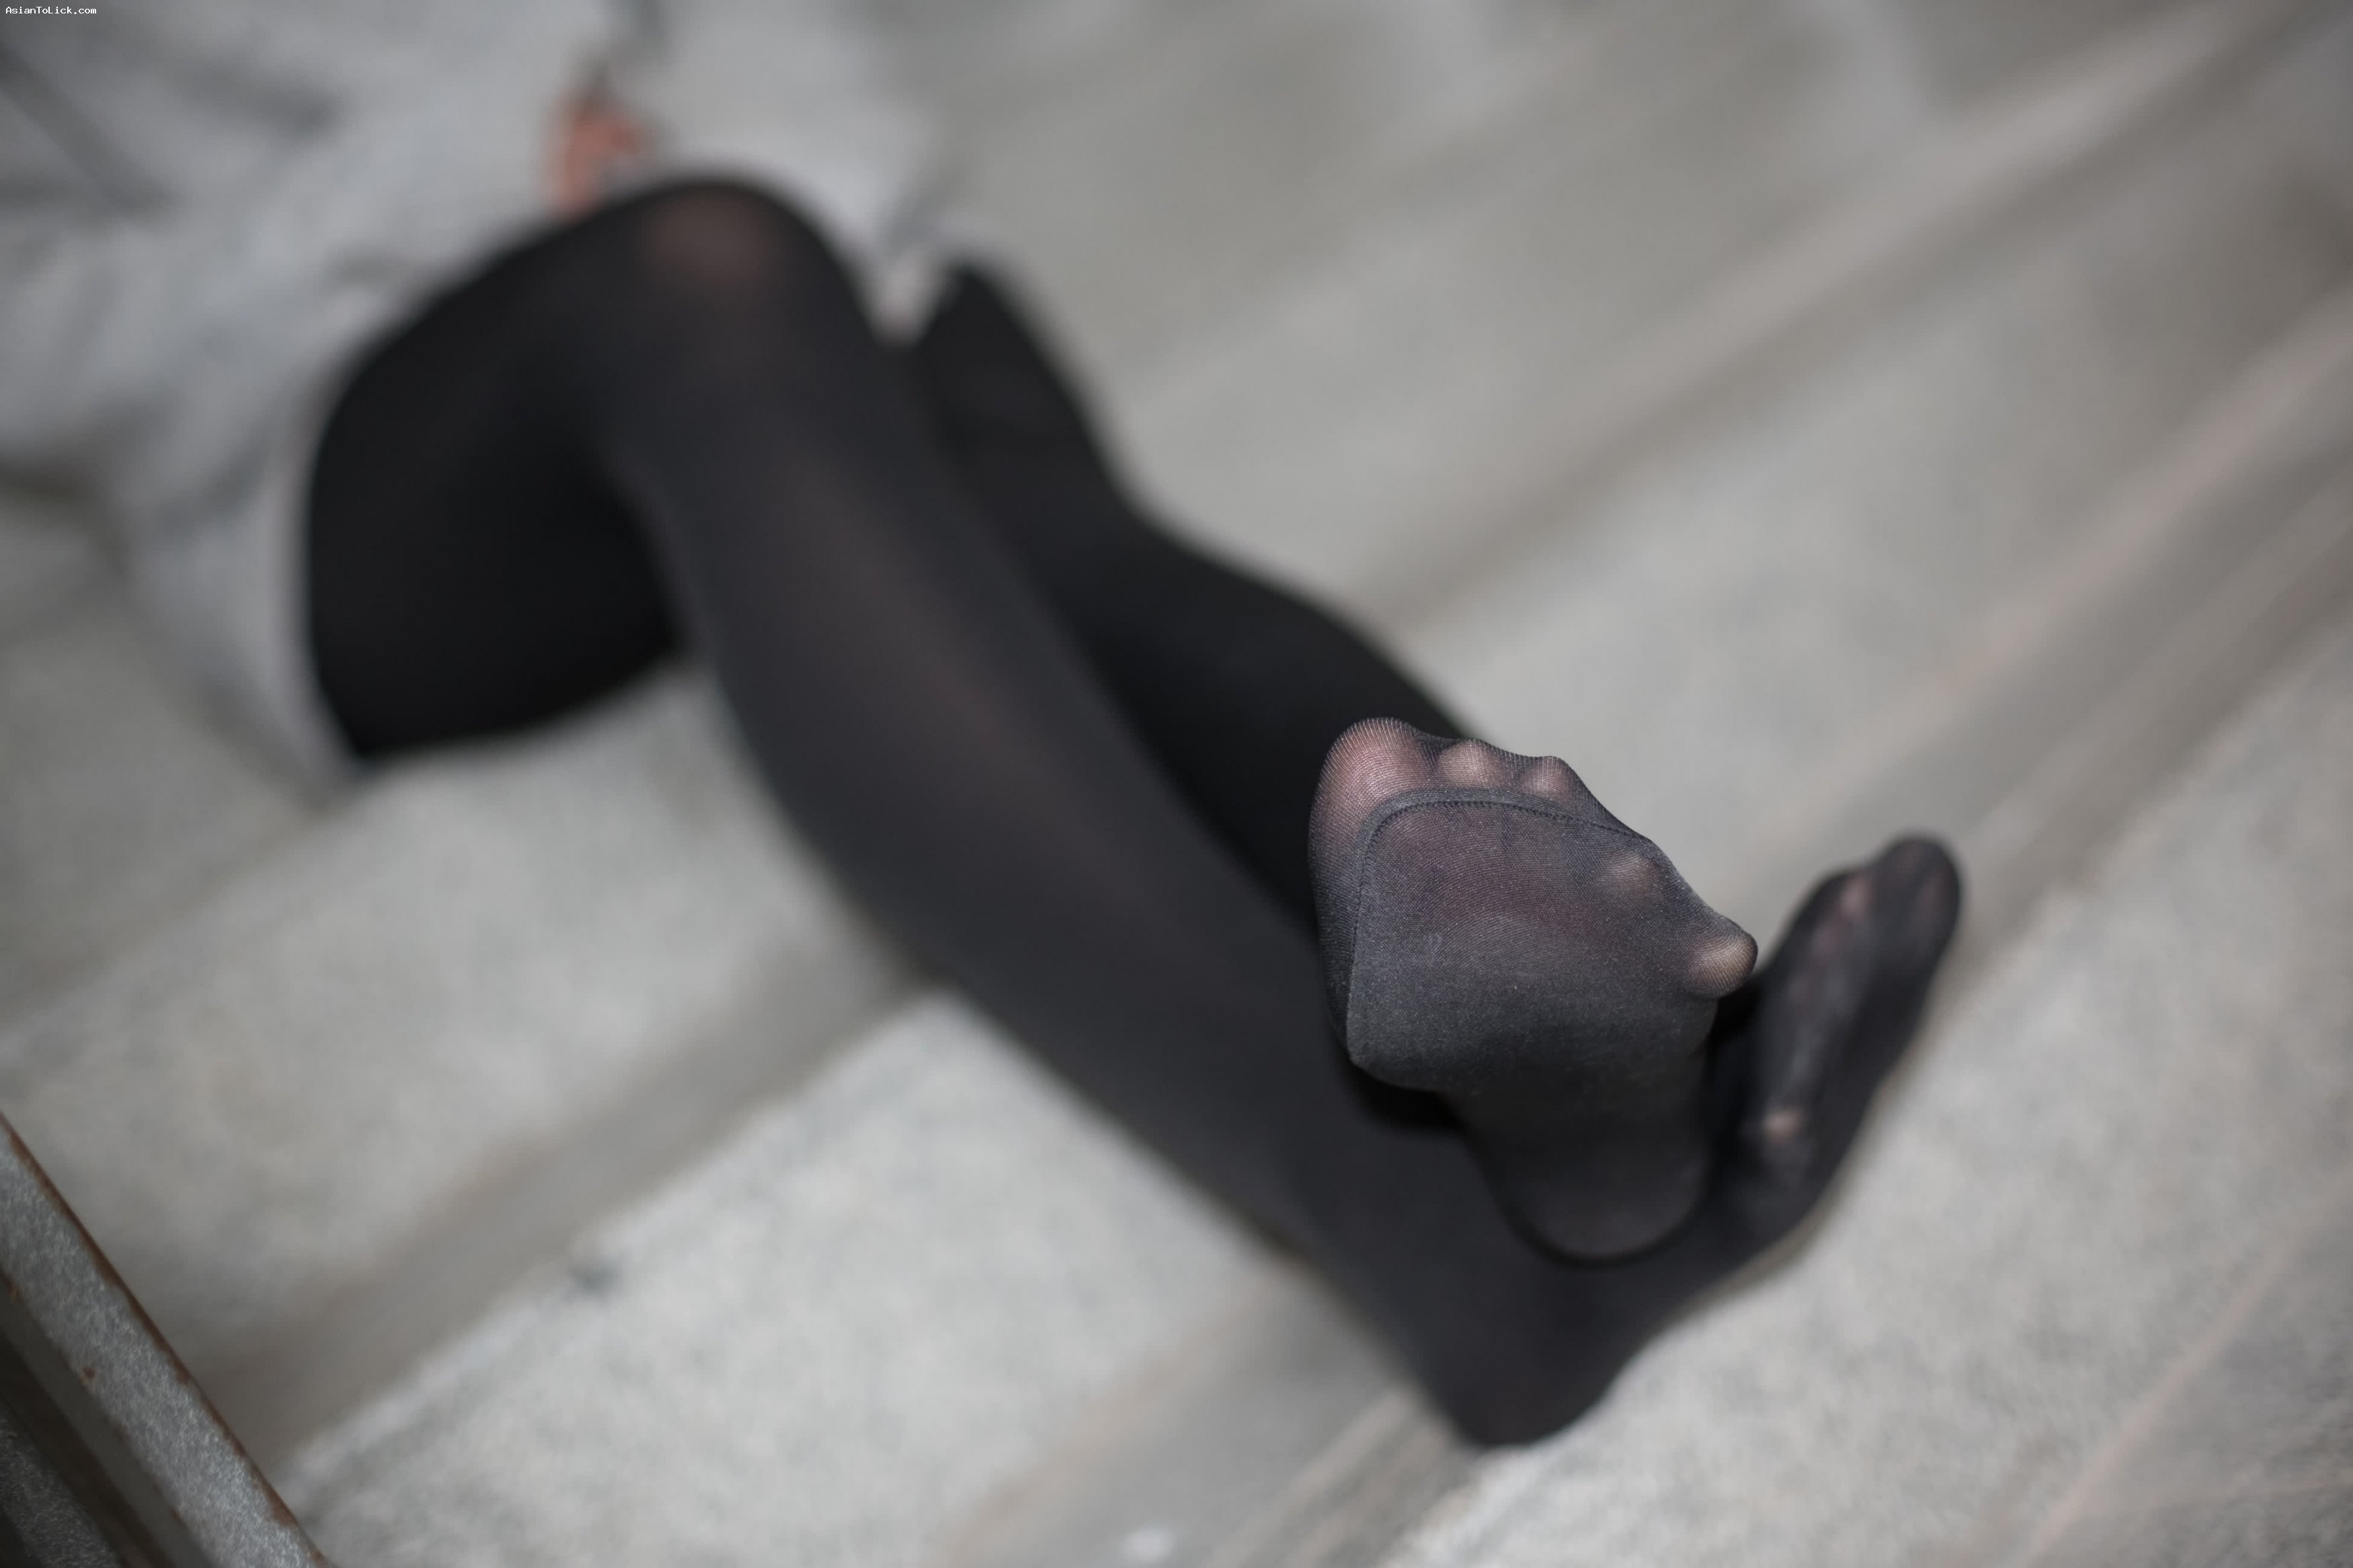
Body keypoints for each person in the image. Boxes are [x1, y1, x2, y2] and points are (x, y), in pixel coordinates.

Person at [0, 1, 1959, 1445]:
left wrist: (800, 193)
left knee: (1058, 532)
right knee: (700, 281)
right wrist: (486, 174)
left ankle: (1622, 1155)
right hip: (353, 436)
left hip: (805, 232)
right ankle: (1460, 1240)